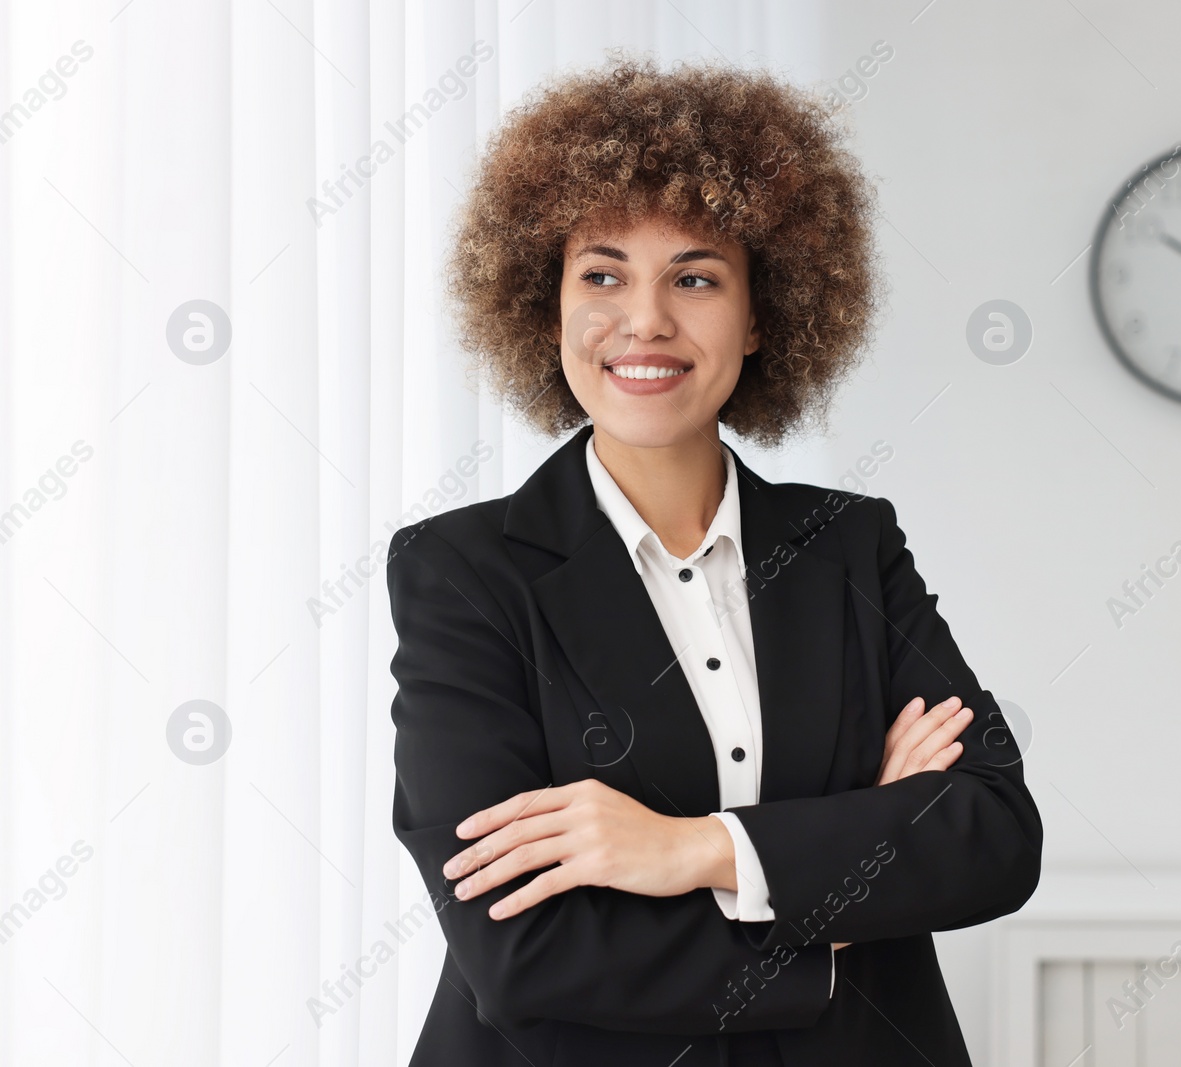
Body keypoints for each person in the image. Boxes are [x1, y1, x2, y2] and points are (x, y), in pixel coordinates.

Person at [385, 54, 1043, 1066]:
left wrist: (691, 849)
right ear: (544, 303)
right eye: (601, 273)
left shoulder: (849, 544)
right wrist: (845, 890)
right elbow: (522, 951)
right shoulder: (465, 571)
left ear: (761, 314)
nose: (644, 319)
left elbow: (990, 834)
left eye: (694, 277)